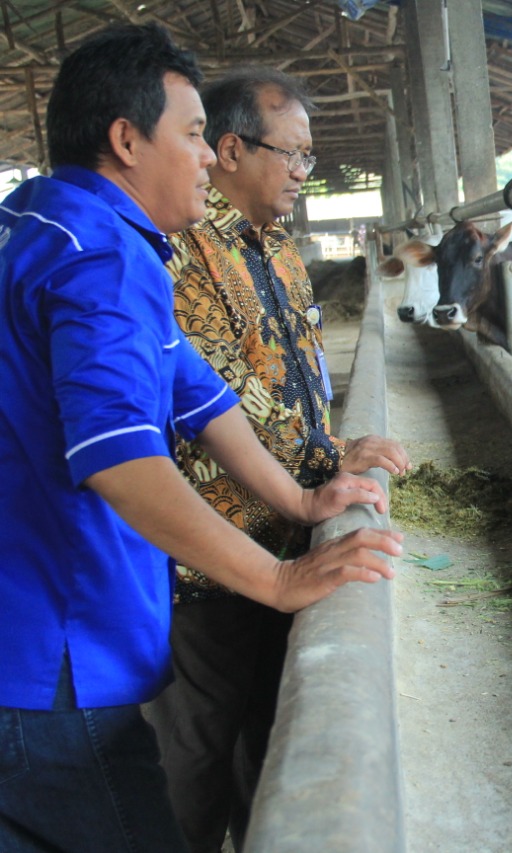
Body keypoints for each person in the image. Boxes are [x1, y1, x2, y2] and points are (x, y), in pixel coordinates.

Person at [0, 23, 402, 853]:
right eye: (191, 135)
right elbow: (119, 457)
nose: (207, 158)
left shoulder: (54, 225)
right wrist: (280, 576)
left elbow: (197, 390)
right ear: (126, 140)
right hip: (54, 662)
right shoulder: (99, 259)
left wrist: (299, 495)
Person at [147, 67, 410, 852]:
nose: (304, 172)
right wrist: (323, 460)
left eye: (309, 158)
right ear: (229, 150)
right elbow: (217, 395)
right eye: (290, 154)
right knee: (193, 758)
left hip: (287, 540)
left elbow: (296, 378)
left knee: (267, 736)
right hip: (212, 562)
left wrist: (332, 450)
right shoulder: (184, 254)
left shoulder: (280, 250)